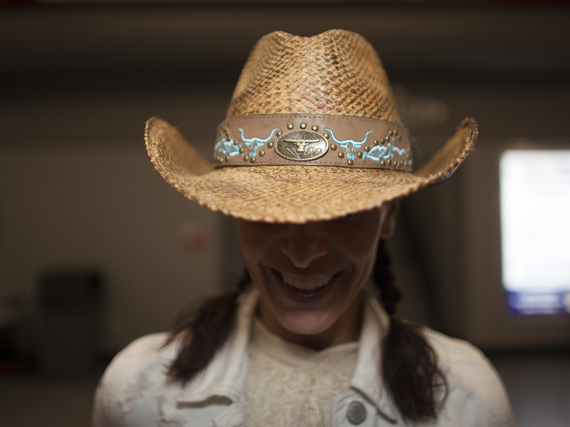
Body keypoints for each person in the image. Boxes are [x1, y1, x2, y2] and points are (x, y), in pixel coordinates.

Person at [91, 30, 515, 427]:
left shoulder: (466, 394)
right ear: (234, 213)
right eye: (269, 212)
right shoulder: (135, 390)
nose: (302, 252)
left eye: (342, 213)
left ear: (388, 215)